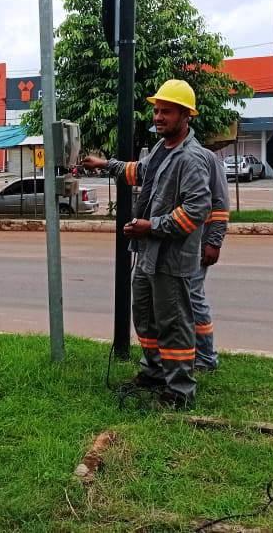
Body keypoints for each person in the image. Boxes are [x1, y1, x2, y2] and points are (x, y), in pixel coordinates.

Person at [82, 79, 210, 407]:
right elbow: (139, 172)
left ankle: (179, 391)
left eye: (166, 111)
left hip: (172, 257)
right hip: (149, 254)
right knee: (145, 317)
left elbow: (196, 211)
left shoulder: (191, 158)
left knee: (174, 323)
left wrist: (151, 226)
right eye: (156, 110)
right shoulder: (161, 149)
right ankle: (154, 371)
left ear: (186, 116)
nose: (158, 116)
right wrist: (103, 165)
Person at [190, 147, 230, 371]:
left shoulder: (206, 158)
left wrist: (214, 241)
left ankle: (205, 357)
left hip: (199, 242)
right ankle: (192, 353)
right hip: (175, 244)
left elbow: (220, 203)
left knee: (193, 296)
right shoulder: (164, 154)